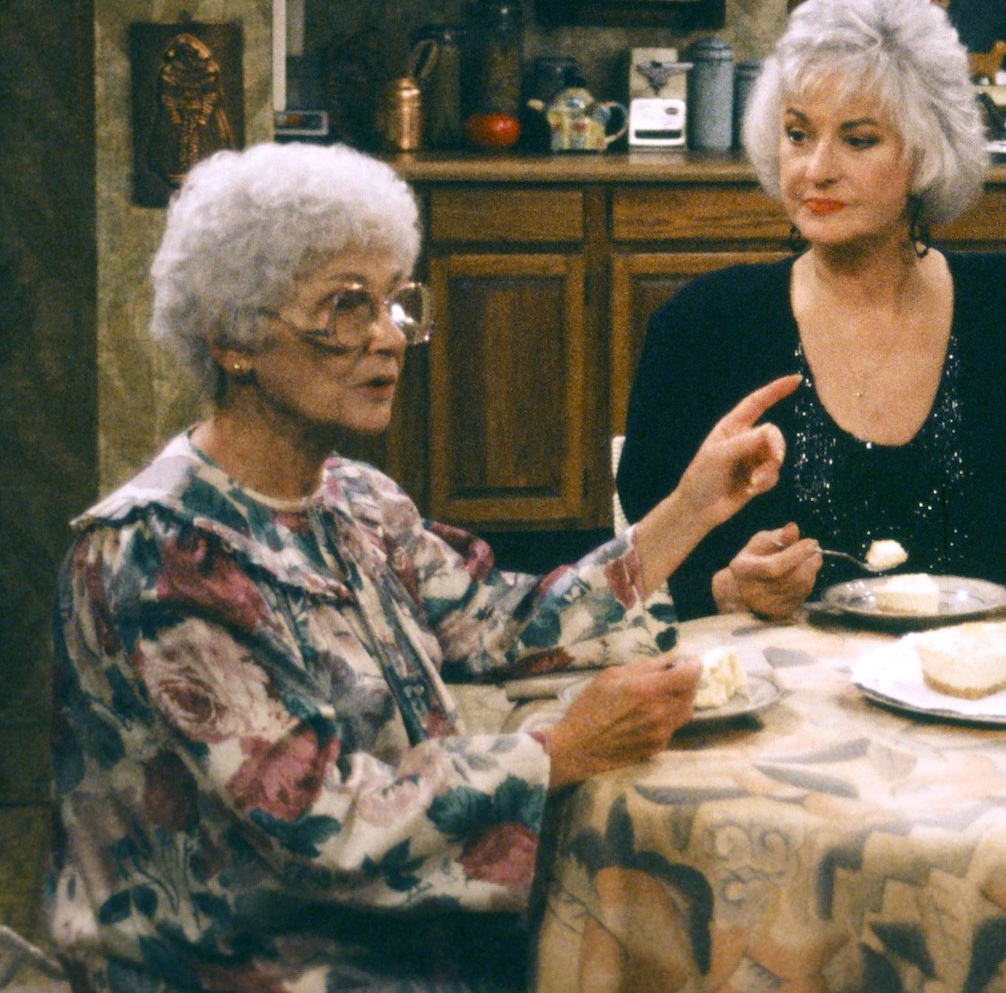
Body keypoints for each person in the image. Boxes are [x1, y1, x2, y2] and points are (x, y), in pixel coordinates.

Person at [49, 143, 796, 992]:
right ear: (231, 337)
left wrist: (693, 507)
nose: (387, 339)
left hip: (402, 939)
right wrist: (556, 752)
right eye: (345, 308)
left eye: (396, 304)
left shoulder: (355, 500)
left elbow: (504, 626)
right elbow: (318, 821)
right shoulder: (157, 557)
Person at [617, 0, 1006, 621]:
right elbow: (643, 580)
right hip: (773, 680)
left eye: (858, 140)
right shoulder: (701, 330)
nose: (816, 169)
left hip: (989, 673)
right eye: (797, 134)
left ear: (927, 152)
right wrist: (727, 590)